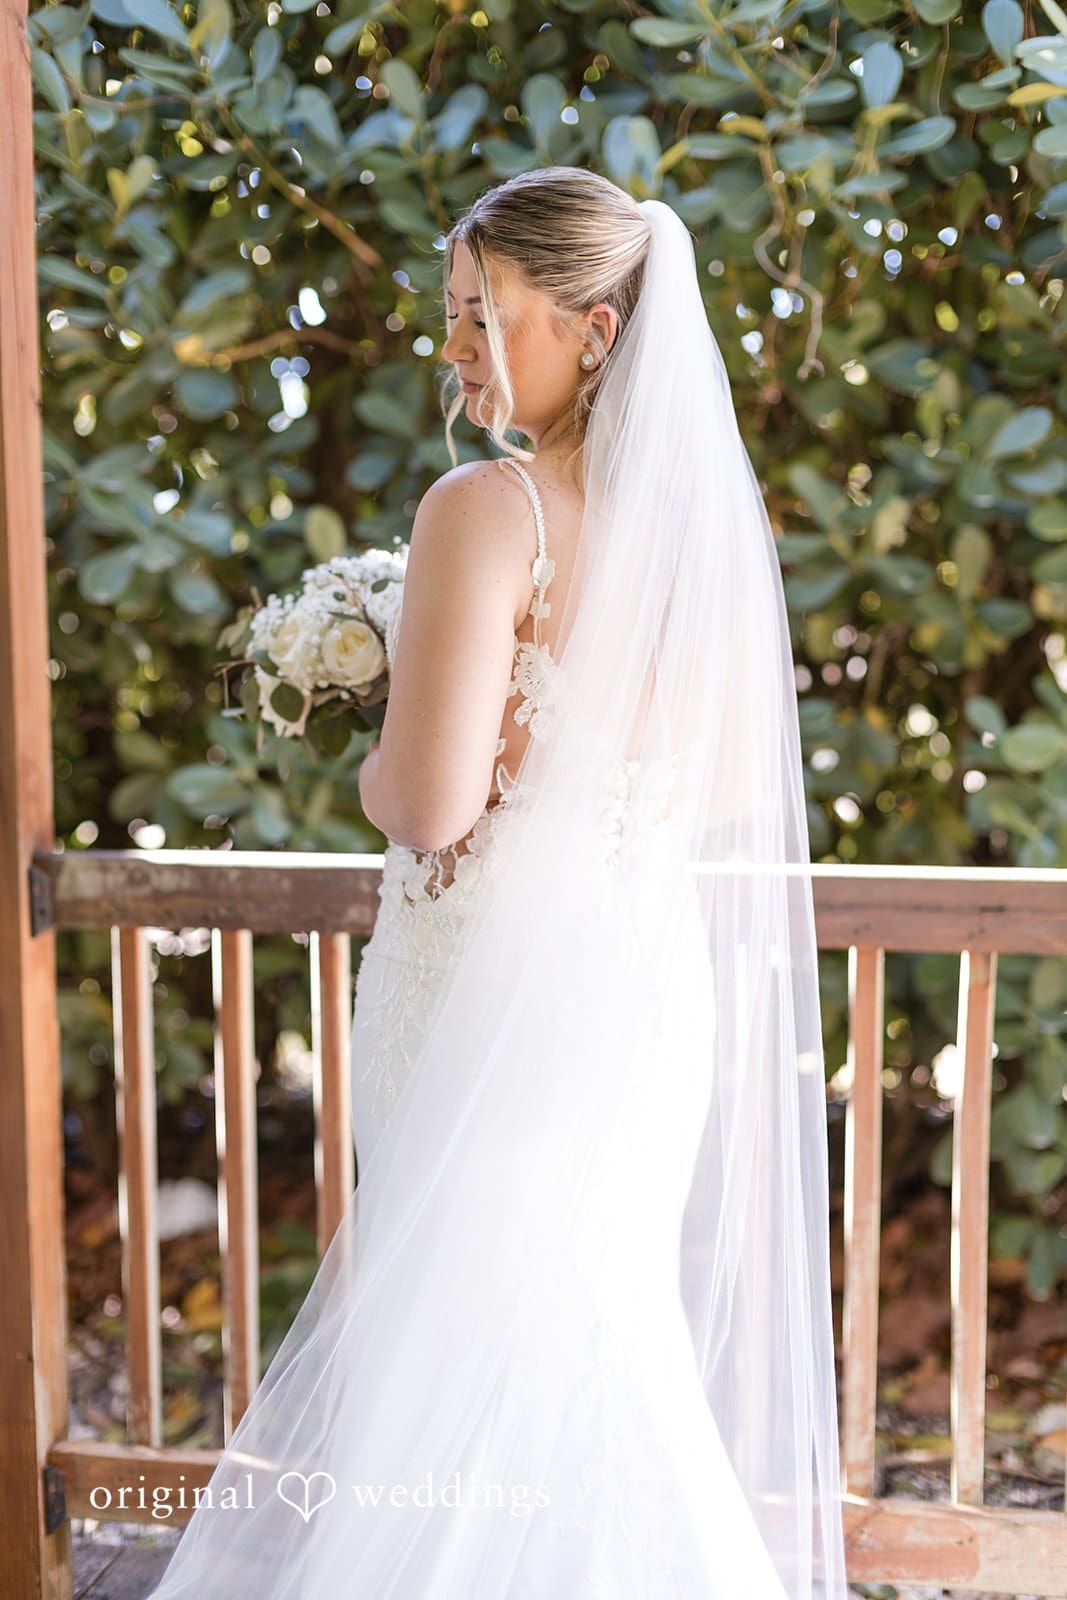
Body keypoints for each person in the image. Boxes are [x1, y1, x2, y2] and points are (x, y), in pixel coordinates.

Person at [149, 166, 848, 1598]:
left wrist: (387, 715)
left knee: (469, 1350)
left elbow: (424, 803)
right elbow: (714, 788)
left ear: (590, 328)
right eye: (451, 313)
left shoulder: (488, 509)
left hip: (484, 1007)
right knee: (593, 1346)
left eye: (482, 314)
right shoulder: (710, 530)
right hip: (638, 1008)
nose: (454, 346)